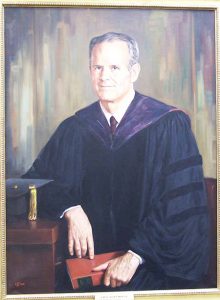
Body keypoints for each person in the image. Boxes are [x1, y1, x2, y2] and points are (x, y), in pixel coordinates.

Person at [23, 32, 209, 291]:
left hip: (150, 270)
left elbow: (181, 205)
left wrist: (135, 256)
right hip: (84, 271)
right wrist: (70, 209)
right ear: (89, 70)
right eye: (97, 67)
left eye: (114, 67)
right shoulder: (74, 129)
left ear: (134, 71)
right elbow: (33, 185)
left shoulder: (168, 125)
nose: (104, 76)